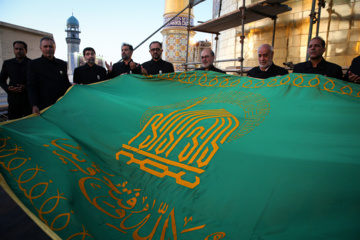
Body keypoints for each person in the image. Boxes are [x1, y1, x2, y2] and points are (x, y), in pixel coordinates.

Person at [27, 37, 71, 115]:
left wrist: (73, 87)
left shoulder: (62, 64)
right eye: (45, 46)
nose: (48, 49)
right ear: (40, 48)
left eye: (51, 46)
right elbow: (31, 86)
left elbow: (65, 83)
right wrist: (34, 105)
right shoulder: (33, 64)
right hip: (44, 107)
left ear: (55, 48)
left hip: (61, 105)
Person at [0, 41, 32, 119]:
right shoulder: (7, 63)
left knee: (28, 126)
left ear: (26, 50)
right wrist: (8, 88)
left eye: (21, 49)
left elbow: (36, 82)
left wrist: (25, 88)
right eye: (16, 49)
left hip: (28, 101)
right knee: (14, 125)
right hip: (13, 101)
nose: (18, 51)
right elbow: (1, 80)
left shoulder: (32, 64)